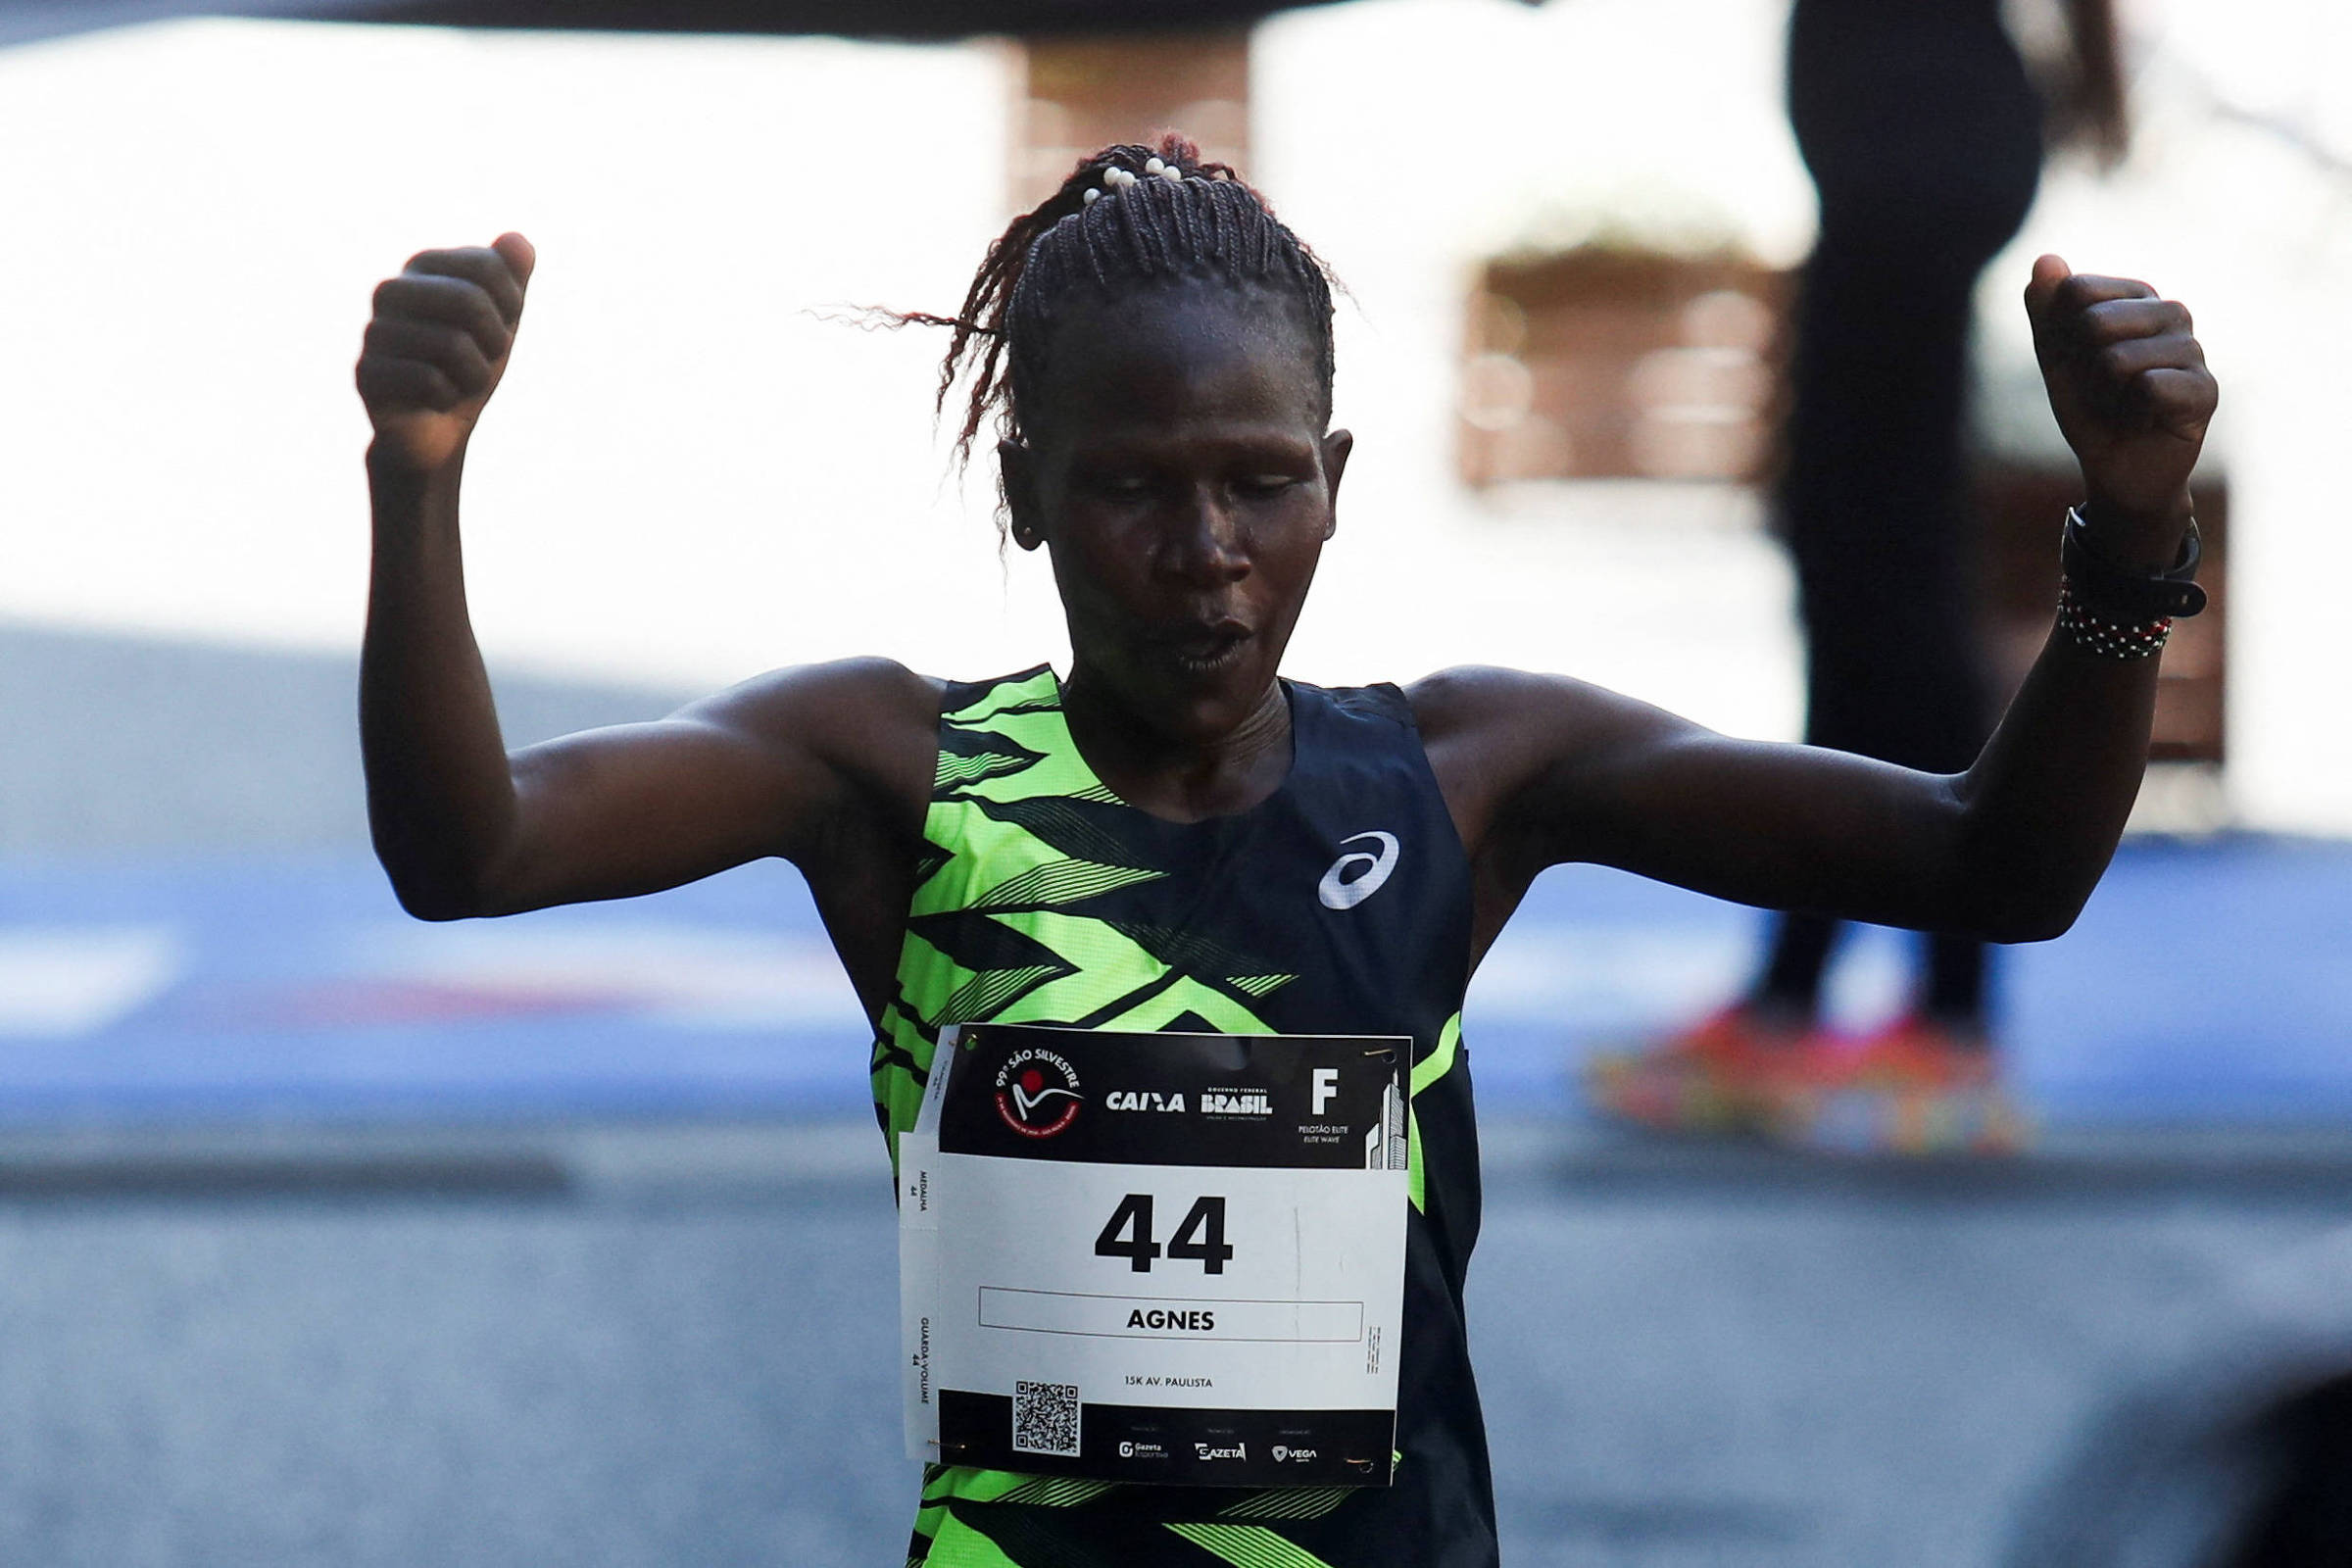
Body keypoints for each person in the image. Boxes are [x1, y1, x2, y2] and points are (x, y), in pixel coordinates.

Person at [355, 134, 2213, 1568]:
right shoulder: (892, 771)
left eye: (1260, 479)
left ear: (1336, 473)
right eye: (1133, 484)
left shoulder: (1472, 772)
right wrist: (417, 475)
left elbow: (1994, 870)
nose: (1208, 548)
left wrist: (2127, 548)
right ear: (1025, 492)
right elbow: (476, 848)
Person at [1592, 0, 2134, 1154]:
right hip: (1908, 143)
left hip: (1914, 144)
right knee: (1860, 571)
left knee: (1883, 582)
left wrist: (2096, 66)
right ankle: (1826, 996)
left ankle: (1940, 1016)